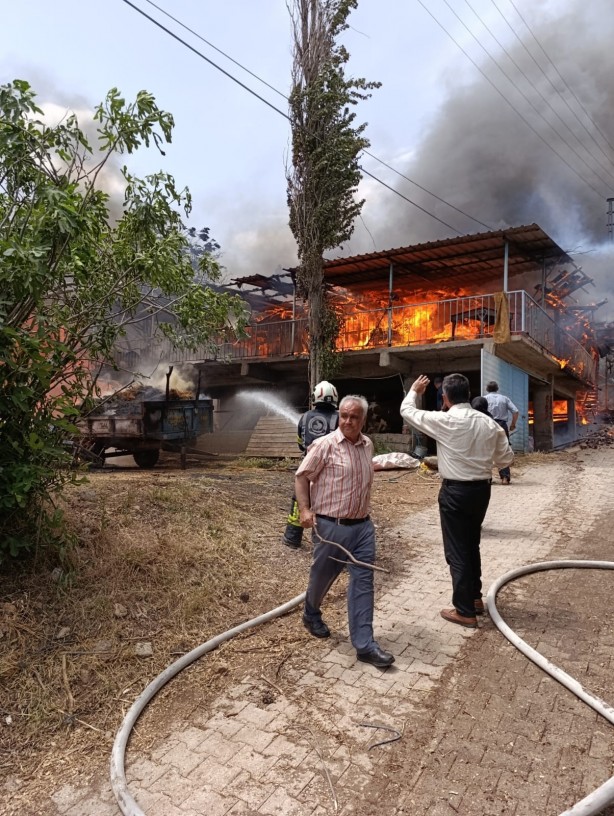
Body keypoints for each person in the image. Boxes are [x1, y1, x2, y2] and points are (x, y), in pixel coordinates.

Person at [400, 374, 513, 629]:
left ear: (446, 397)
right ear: (468, 393)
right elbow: (506, 459)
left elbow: (406, 411)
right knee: (472, 544)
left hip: (455, 493)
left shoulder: (444, 420)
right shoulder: (489, 424)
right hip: (482, 491)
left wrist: (415, 391)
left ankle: (464, 611)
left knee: (457, 551)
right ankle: (474, 598)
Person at [295, 395, 395, 668]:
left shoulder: (367, 446)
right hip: (330, 527)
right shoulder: (324, 446)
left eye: (354, 417)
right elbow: (302, 476)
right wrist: (305, 510)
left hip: (362, 527)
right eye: (344, 416)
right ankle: (311, 612)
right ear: (339, 416)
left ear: (363, 420)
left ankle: (365, 645)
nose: (348, 422)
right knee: (322, 577)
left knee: (363, 583)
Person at [282, 381, 339, 549]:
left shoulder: (305, 416)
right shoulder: (340, 417)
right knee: (329, 505)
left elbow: (300, 442)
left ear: (315, 397)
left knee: (299, 501)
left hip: (307, 467)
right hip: (331, 469)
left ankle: (292, 539)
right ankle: (324, 544)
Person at [483, 381, 519, 484]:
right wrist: (513, 424)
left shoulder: (484, 399)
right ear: (497, 389)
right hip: (502, 426)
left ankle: (487, 478)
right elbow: (515, 412)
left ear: (487, 389)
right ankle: (505, 478)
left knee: (487, 451)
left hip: (488, 425)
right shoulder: (504, 398)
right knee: (503, 451)